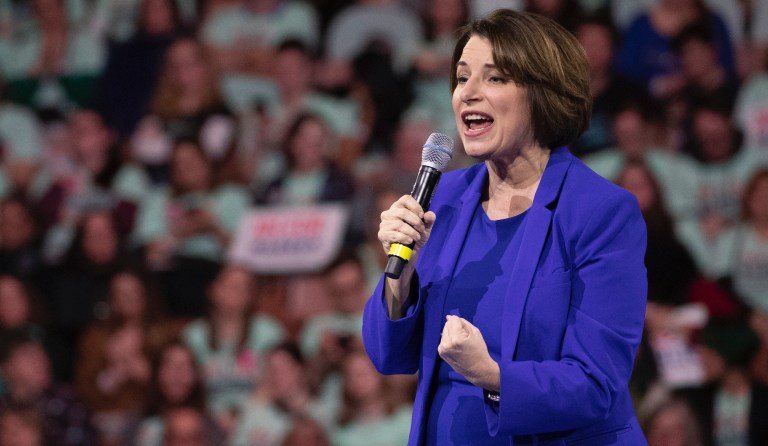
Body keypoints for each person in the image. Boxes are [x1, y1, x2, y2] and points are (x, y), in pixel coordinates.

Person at [362, 9, 648, 445]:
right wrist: (399, 279)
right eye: (461, 78)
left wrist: (490, 375)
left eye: (494, 78)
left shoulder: (600, 213)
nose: (467, 94)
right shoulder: (444, 198)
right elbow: (389, 355)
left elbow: (597, 385)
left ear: (544, 93)